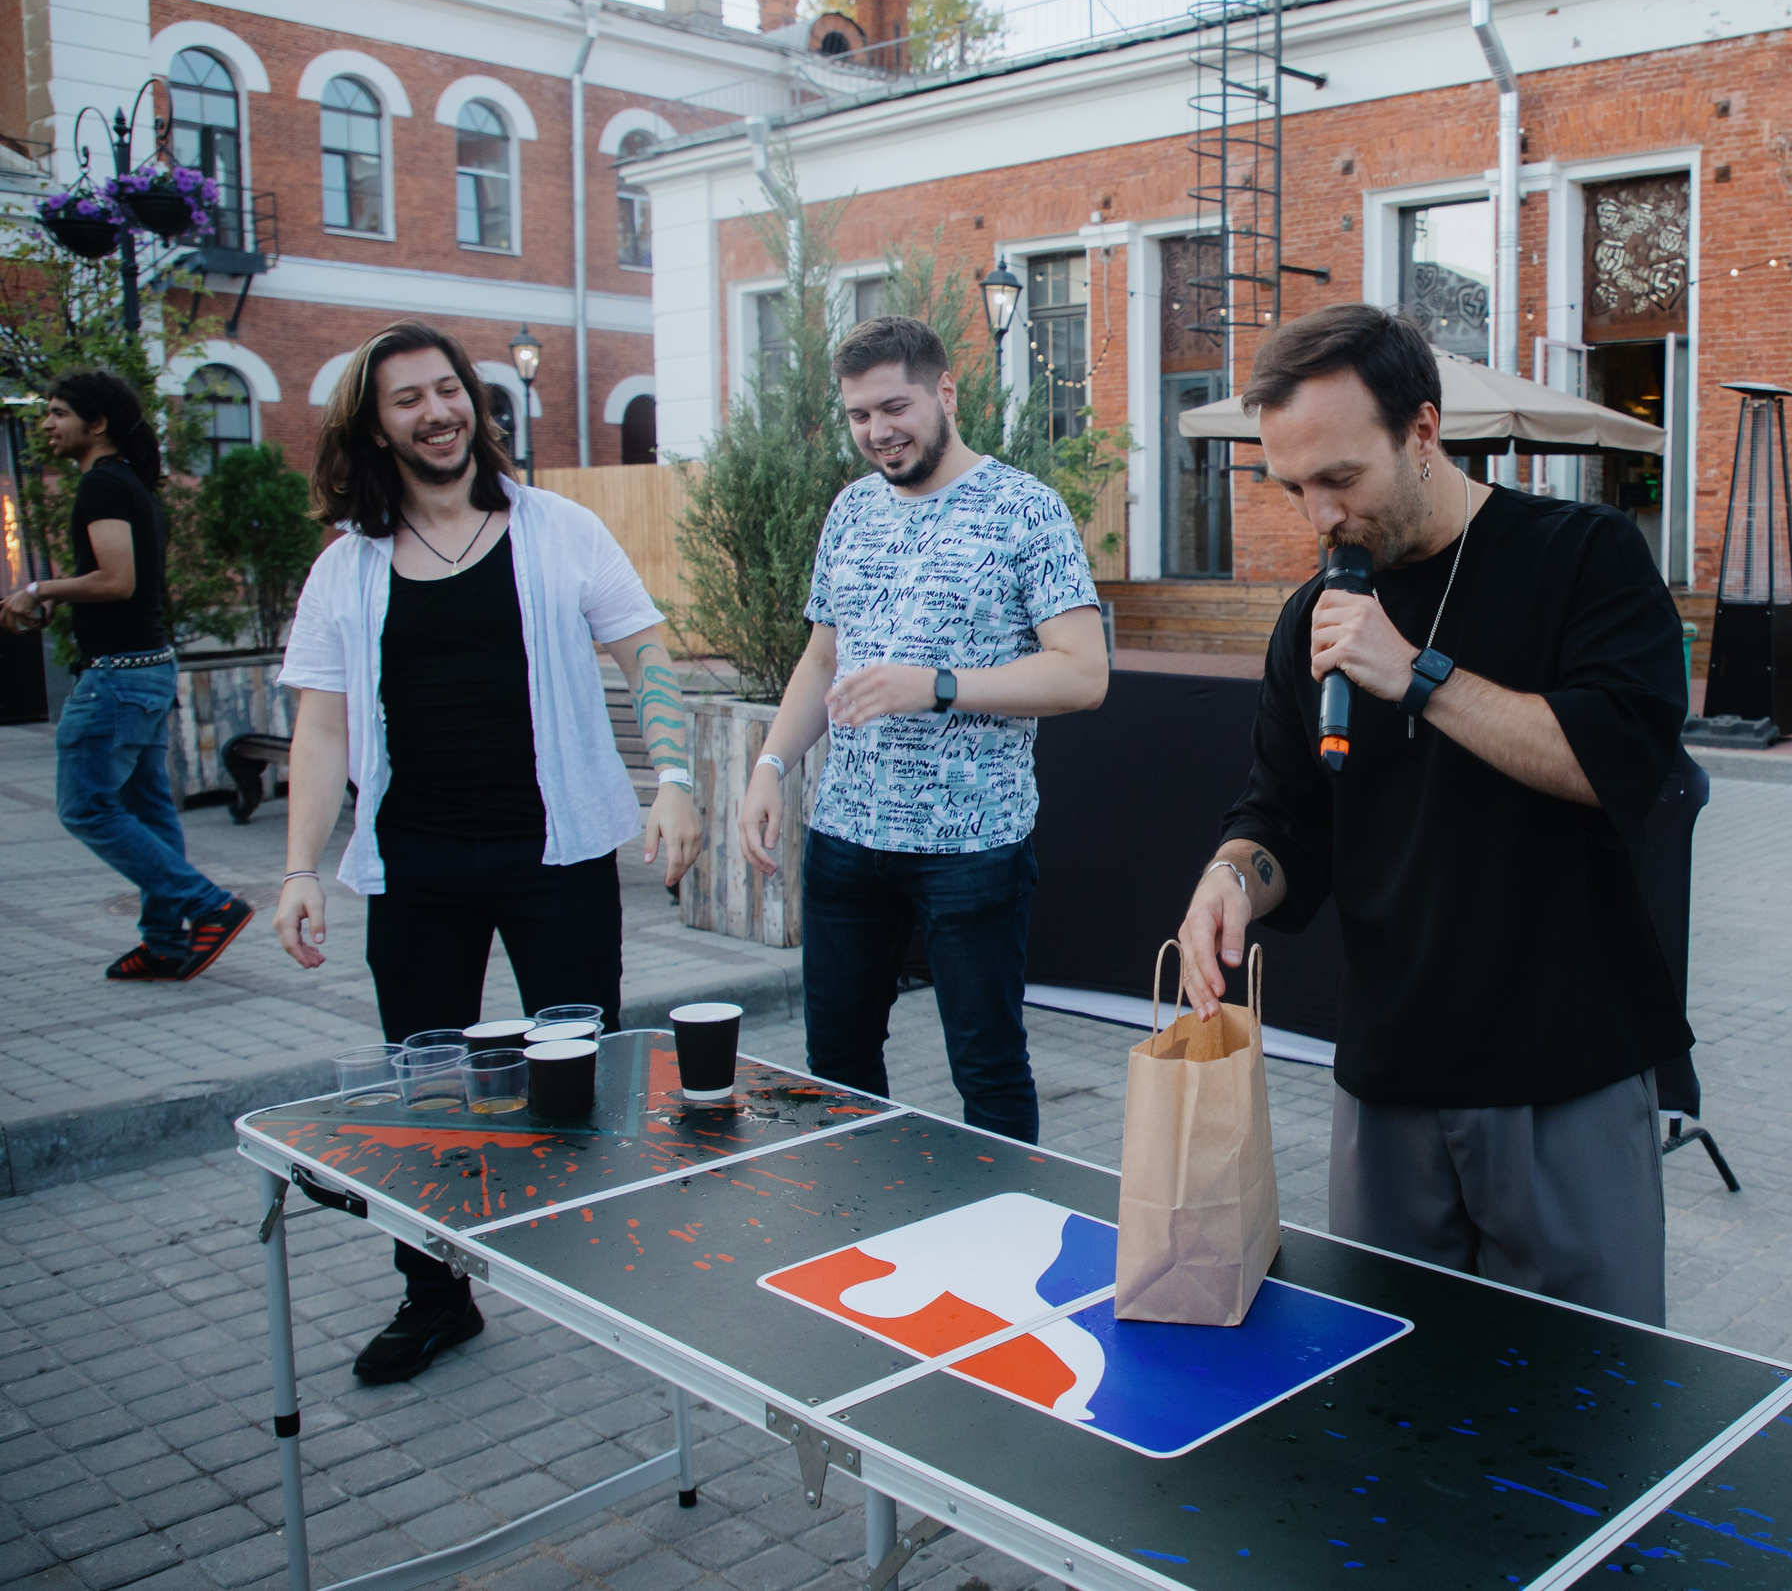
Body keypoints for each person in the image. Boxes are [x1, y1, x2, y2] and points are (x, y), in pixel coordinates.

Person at [1174, 304, 1692, 1325]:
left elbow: (1618, 762)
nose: (1320, 516)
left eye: (1340, 477)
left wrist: (1416, 673)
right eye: (1293, 487)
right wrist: (1230, 876)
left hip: (1564, 1071)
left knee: (1584, 1391)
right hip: (1388, 1078)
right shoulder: (1311, 617)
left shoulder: (1582, 555)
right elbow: (1280, 816)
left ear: (1421, 431)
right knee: (1389, 1386)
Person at [272, 320, 702, 1383]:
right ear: (377, 428)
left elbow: (643, 650)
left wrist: (676, 776)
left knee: (582, 1074)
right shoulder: (346, 566)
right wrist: (298, 869)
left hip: (555, 854)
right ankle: (435, 1297)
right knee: (426, 1095)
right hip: (413, 864)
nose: (437, 411)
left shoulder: (558, 529)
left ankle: (604, 1264)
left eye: (447, 389)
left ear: (473, 400)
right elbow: (320, 727)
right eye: (407, 398)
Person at [739, 315, 1108, 1143]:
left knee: (987, 1068)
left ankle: (1002, 1218)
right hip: (844, 838)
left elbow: (1085, 673)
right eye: (859, 415)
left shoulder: (1026, 510)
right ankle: (859, 1213)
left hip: (973, 847)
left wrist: (937, 686)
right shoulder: (850, 510)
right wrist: (769, 765)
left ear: (945, 391)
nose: (877, 430)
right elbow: (820, 659)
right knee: (835, 1065)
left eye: (894, 407)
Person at [1, 373, 253, 981]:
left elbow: (117, 581)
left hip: (117, 679)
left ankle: (208, 905)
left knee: (85, 807)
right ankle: (164, 943)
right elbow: (125, 586)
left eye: (59, 413)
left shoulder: (103, 485)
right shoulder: (131, 483)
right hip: (146, 670)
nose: (47, 424)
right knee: (150, 813)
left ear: (98, 424)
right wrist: (63, 598)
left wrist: (38, 589)